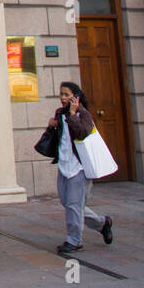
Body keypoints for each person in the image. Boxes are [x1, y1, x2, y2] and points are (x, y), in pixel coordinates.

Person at [46, 81, 113, 254]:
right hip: (64, 165)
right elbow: (61, 139)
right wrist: (52, 125)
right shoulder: (60, 113)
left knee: (74, 205)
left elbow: (81, 133)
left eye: (66, 95)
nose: (62, 98)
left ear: (75, 97)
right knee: (68, 203)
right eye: (61, 94)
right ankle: (102, 223)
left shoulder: (83, 114)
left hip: (79, 168)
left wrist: (73, 114)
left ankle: (74, 241)